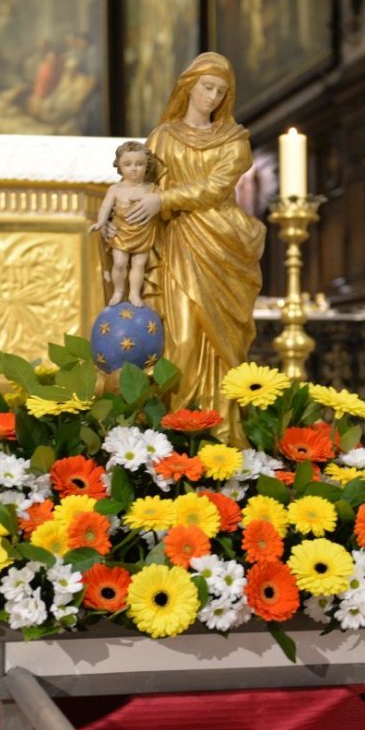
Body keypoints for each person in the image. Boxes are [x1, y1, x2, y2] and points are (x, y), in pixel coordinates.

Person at [119, 52, 266, 440]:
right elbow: (140, 188)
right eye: (207, 87)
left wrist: (163, 201)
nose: (212, 97)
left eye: (220, 91)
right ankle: (178, 437)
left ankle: (223, 436)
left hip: (220, 246)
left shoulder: (235, 142)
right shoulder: (162, 138)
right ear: (189, 86)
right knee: (179, 340)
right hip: (176, 243)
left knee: (224, 345)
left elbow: (216, 189)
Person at [89, 141, 157, 307]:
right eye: (128, 164)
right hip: (120, 232)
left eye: (139, 164)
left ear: (147, 165)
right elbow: (106, 206)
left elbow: (160, 206)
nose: (134, 169)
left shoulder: (152, 189)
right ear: (119, 166)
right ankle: (118, 291)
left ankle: (134, 293)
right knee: (119, 263)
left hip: (142, 232)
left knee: (139, 264)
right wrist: (100, 222)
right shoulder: (116, 189)